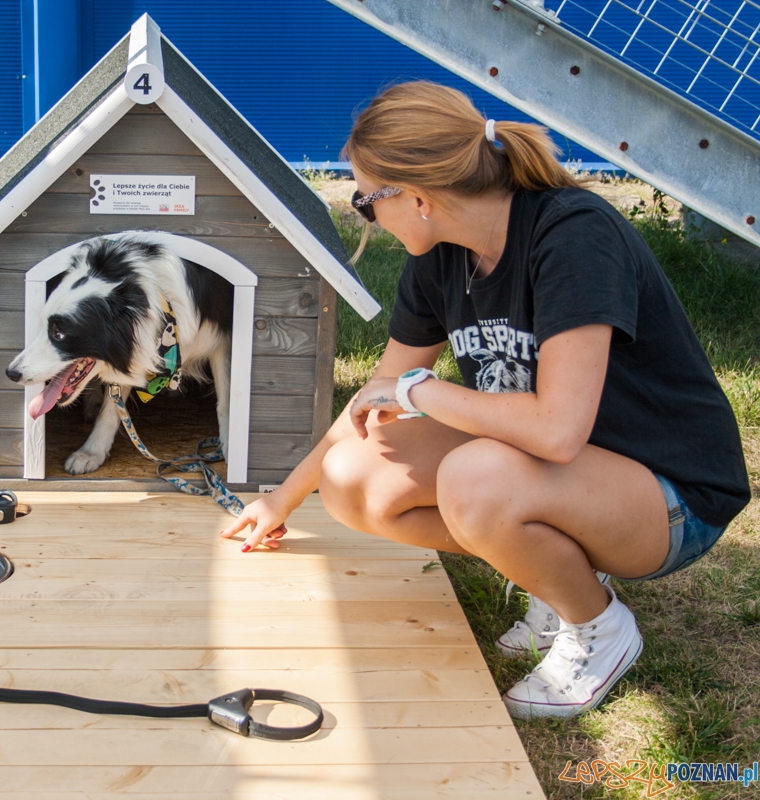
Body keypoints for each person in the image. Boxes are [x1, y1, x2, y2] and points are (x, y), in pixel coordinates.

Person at [220, 82, 749, 720]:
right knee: (355, 477)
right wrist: (283, 498)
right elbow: (374, 397)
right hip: (562, 475)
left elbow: (555, 432)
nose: (364, 213)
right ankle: (555, 576)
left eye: (364, 200)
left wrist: (422, 391)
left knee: (475, 479)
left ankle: (600, 628)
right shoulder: (441, 256)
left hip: (670, 496)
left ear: (417, 198)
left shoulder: (573, 235)